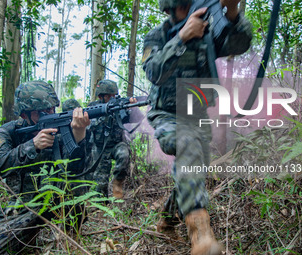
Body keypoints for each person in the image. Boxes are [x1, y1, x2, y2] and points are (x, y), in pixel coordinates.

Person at [142, 0, 252, 254]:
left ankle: (166, 220)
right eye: (182, 7)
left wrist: (232, 11)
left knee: (192, 172)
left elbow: (239, 44)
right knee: (187, 145)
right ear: (169, 8)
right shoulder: (157, 36)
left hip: (196, 114)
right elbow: (153, 71)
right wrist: (181, 37)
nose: (187, 10)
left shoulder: (208, 30)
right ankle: (200, 233)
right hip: (166, 114)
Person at [0, 81, 90, 254]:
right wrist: (31, 146)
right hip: (22, 207)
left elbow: (77, 172)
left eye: (51, 109)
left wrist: (79, 136)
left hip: (58, 202)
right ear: (24, 114)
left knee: (74, 189)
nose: (49, 115)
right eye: (41, 112)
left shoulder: (62, 129)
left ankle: (70, 238)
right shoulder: (10, 131)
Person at [87, 79, 132, 199]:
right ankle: (101, 204)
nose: (112, 98)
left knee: (124, 155)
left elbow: (135, 119)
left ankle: (117, 186)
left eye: (114, 96)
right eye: (109, 96)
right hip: (100, 148)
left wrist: (130, 109)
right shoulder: (92, 108)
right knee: (100, 182)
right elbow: (88, 126)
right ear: (101, 96)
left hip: (117, 144)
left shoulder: (120, 105)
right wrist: (104, 115)